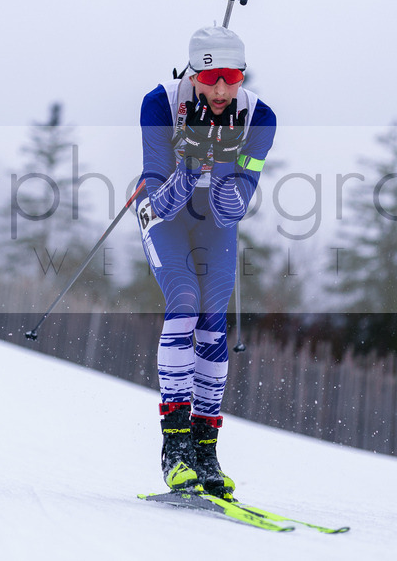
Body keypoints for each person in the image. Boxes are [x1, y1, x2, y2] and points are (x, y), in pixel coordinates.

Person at [136, 25, 276, 496]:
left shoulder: (260, 118)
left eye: (232, 78)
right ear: (193, 71)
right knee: (184, 302)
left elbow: (233, 208)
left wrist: (219, 168)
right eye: (211, 77)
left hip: (215, 218)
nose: (221, 90)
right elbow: (163, 200)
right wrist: (191, 164)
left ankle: (204, 449)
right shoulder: (158, 105)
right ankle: (174, 447)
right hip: (165, 213)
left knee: (213, 319)